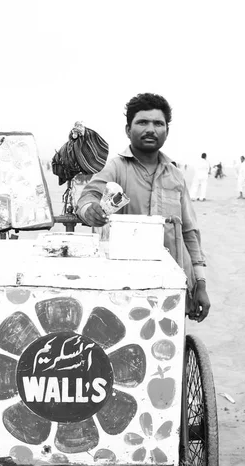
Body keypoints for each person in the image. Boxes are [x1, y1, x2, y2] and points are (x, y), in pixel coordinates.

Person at [76, 92, 210, 322]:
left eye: (158, 123)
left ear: (166, 130)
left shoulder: (176, 176)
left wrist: (200, 283)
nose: (151, 129)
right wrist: (90, 210)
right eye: (142, 122)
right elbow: (88, 197)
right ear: (128, 130)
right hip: (126, 286)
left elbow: (189, 231)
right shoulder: (117, 168)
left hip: (173, 282)